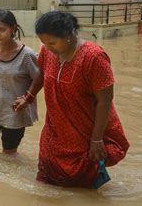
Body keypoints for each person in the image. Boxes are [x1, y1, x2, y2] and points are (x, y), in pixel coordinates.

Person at [15, 11, 129, 188]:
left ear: (69, 35)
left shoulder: (94, 57)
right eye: (44, 43)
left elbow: (105, 101)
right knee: (46, 177)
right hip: (55, 128)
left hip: (84, 130)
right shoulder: (47, 51)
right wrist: (28, 96)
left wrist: (96, 139)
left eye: (53, 42)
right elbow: (42, 74)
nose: (48, 47)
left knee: (82, 183)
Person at [0, 9, 40, 154]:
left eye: (1, 30)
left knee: (9, 158)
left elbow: (40, 78)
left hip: (14, 112)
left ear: (13, 29)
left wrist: (28, 98)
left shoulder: (27, 55)